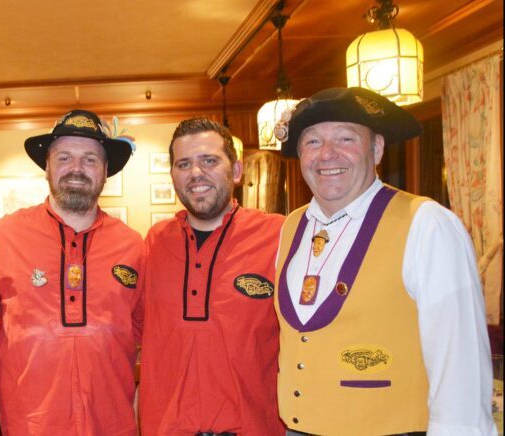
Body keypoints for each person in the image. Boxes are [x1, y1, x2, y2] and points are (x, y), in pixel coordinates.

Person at [274, 87, 496, 435]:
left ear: (376, 148)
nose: (327, 154)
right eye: (313, 142)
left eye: (345, 138)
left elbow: (460, 361)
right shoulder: (291, 227)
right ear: (300, 154)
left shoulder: (427, 223)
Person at [0, 109, 144, 435]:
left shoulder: (133, 245)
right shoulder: (0, 238)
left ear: (106, 171)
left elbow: (150, 341)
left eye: (90, 160)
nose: (76, 168)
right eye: (64, 158)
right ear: (47, 167)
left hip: (111, 427)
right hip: (27, 427)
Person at [138, 118, 285, 435]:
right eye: (184, 164)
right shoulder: (153, 244)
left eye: (209, 161)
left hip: (254, 429)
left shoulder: (280, 236)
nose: (196, 173)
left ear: (236, 171)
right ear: (173, 175)